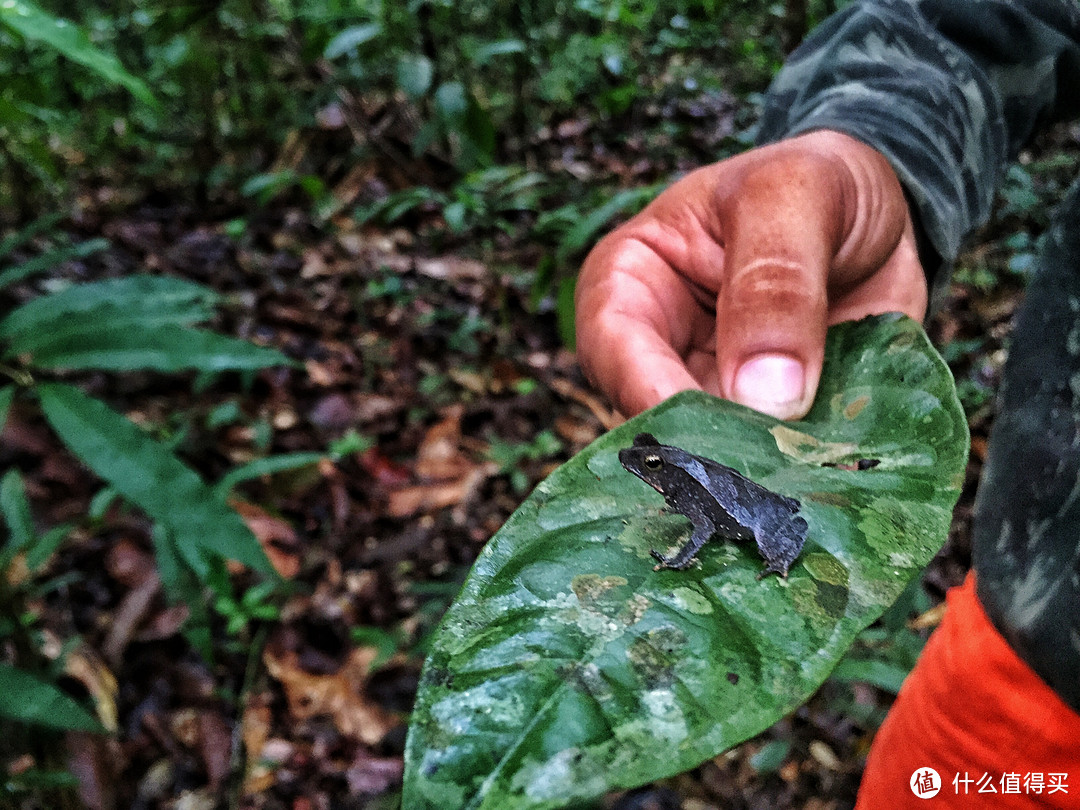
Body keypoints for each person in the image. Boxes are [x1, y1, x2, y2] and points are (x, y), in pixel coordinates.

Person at [575, 0, 1080, 806]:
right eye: (654, 467)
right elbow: (982, 21)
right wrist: (870, 150)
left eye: (654, 467)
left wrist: (710, 553)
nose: (649, 471)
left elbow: (704, 528)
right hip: (1031, 668)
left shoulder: (690, 500)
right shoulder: (681, 481)